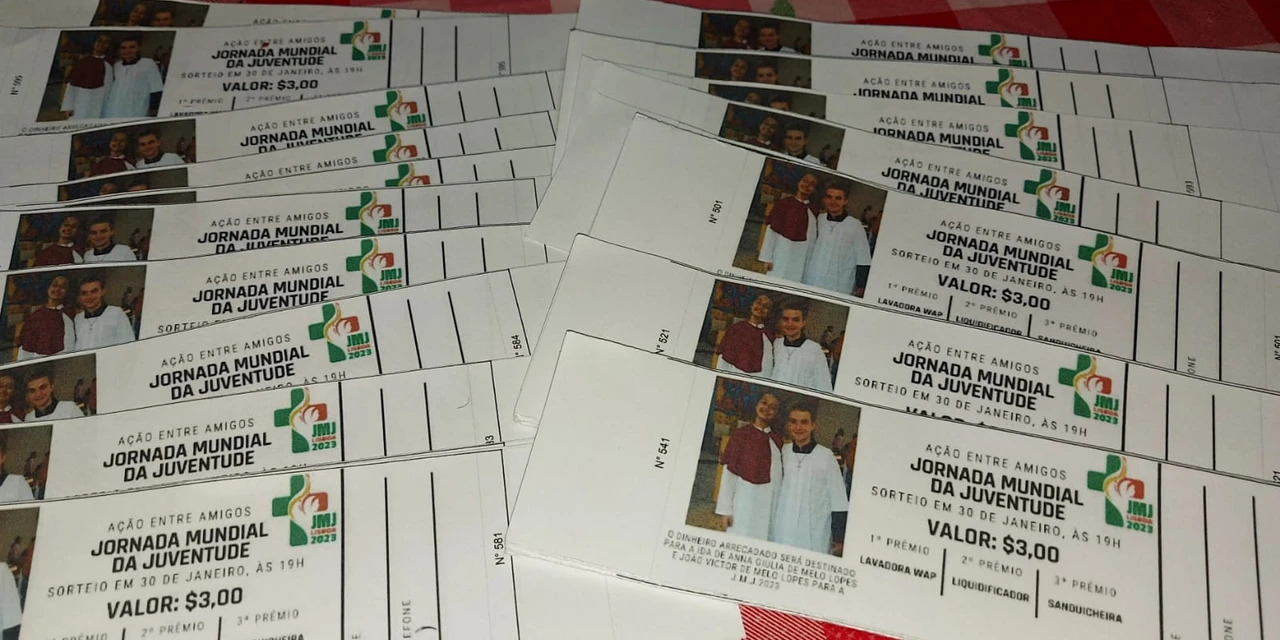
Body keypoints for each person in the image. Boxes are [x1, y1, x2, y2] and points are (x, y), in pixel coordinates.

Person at [770, 400, 848, 555]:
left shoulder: (826, 456)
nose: (798, 427)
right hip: (784, 526)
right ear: (788, 425)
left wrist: (839, 538)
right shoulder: (783, 452)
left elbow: (838, 499)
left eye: (804, 422)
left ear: (813, 425)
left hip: (814, 531)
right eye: (794, 422)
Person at [714, 392, 783, 541]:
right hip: (744, 501)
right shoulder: (740, 435)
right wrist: (726, 510)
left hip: (769, 505)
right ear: (756, 405)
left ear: (776, 413)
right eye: (764, 403)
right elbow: (729, 475)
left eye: (772, 407)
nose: (767, 408)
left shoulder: (777, 440)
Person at [803, 184, 873, 296]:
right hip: (814, 276)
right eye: (829, 197)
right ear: (824, 199)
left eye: (838, 198)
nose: (833, 201)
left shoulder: (855, 225)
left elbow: (863, 257)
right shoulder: (819, 219)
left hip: (840, 281)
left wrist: (861, 285)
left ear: (845, 201)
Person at [758, 172, 817, 282]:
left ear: (814, 189)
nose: (807, 185)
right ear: (798, 182)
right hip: (782, 253)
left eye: (812, 184)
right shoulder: (784, 204)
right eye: (805, 181)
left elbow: (812, 240)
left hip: (801, 259)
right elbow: (772, 232)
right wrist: (767, 258)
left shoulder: (813, 211)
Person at [770, 301, 832, 392]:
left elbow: (824, 384)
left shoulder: (814, 349)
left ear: (803, 323)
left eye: (795, 320)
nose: (790, 324)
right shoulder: (777, 344)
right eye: (786, 319)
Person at [102, 36, 164, 119]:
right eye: (123, 48)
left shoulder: (148, 63)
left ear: (138, 48)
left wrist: (154, 110)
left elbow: (156, 88)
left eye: (132, 47)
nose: (127, 50)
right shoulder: (117, 66)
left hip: (137, 108)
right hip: (114, 108)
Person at [17, 275, 75, 361]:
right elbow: (26, 347)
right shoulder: (35, 316)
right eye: (54, 285)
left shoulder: (70, 314)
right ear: (48, 288)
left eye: (63, 287)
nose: (57, 289)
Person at [715, 294, 774, 376]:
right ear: (751, 305)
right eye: (758, 303)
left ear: (769, 313)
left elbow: (769, 364)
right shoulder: (736, 329)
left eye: (766, 306)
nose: (761, 307)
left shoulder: (769, 335)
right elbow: (724, 360)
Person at [60, 34, 114, 120]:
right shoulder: (83, 62)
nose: (102, 44)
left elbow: (110, 86)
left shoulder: (110, 63)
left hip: (101, 102)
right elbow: (73, 85)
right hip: (82, 100)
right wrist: (68, 106)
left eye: (106, 42)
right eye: (99, 41)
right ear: (93, 42)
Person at [73, 276, 136, 350]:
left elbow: (127, 342)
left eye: (94, 291)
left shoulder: (116, 313)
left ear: (102, 292)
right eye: (84, 293)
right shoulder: (78, 318)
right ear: (80, 296)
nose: (89, 297)